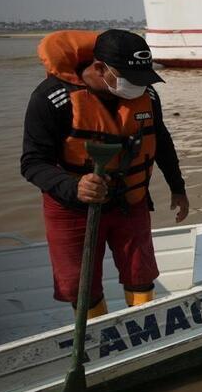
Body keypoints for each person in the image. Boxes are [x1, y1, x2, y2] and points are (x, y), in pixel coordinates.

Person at [21, 29, 189, 318]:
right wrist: (74, 187)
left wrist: (178, 187)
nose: (140, 86)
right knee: (80, 284)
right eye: (132, 79)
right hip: (74, 207)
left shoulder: (146, 94)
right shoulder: (51, 99)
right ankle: (97, 334)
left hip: (130, 200)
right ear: (100, 68)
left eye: (144, 79)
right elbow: (32, 163)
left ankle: (143, 326)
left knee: (140, 271)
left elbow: (160, 140)